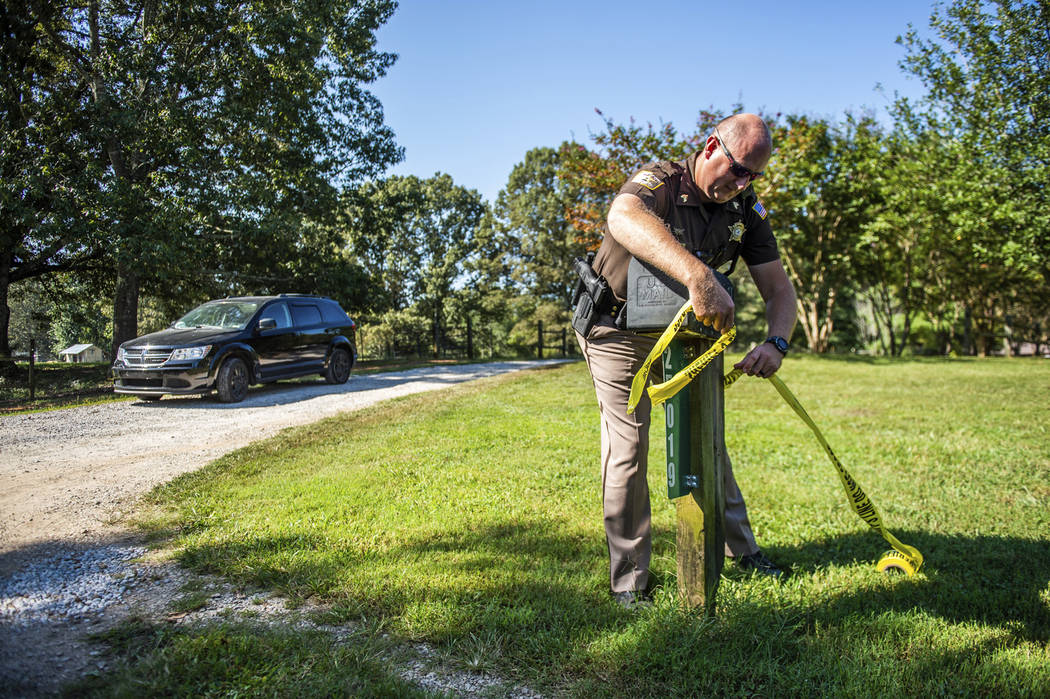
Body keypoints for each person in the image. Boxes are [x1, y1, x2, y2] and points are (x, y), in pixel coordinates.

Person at [574, 113, 798, 607]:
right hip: (617, 331)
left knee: (708, 440)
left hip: (690, 339)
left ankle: (742, 551)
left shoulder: (746, 209)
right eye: (739, 170)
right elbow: (622, 216)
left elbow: (780, 291)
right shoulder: (660, 181)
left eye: (753, 177)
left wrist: (776, 343)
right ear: (712, 146)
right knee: (629, 448)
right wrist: (700, 277)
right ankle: (630, 583)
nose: (743, 184)